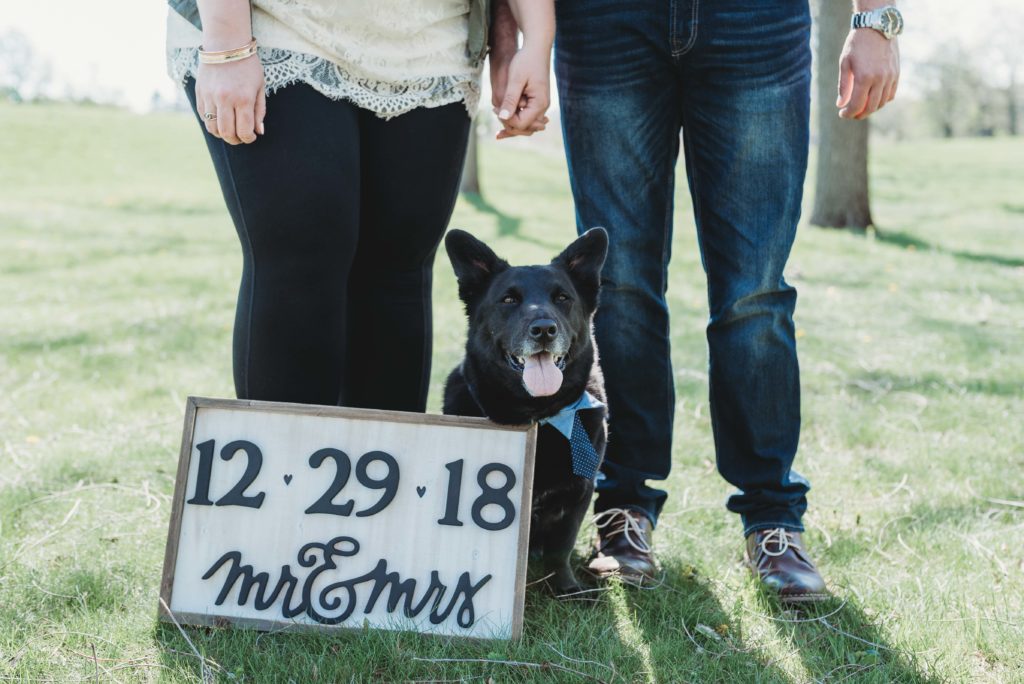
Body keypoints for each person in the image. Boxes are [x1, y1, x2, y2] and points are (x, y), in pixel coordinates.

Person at [492, 0, 901, 600]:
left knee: (754, 292)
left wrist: (875, 17)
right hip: (605, 22)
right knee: (620, 287)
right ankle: (622, 510)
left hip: (755, 20)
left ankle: (773, 522)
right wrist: (516, 36)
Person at [164, 0, 553, 411]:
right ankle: (284, 470)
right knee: (303, 259)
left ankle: (383, 469)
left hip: (435, 44)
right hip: (279, 27)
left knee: (399, 273)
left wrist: (521, 43)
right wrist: (227, 44)